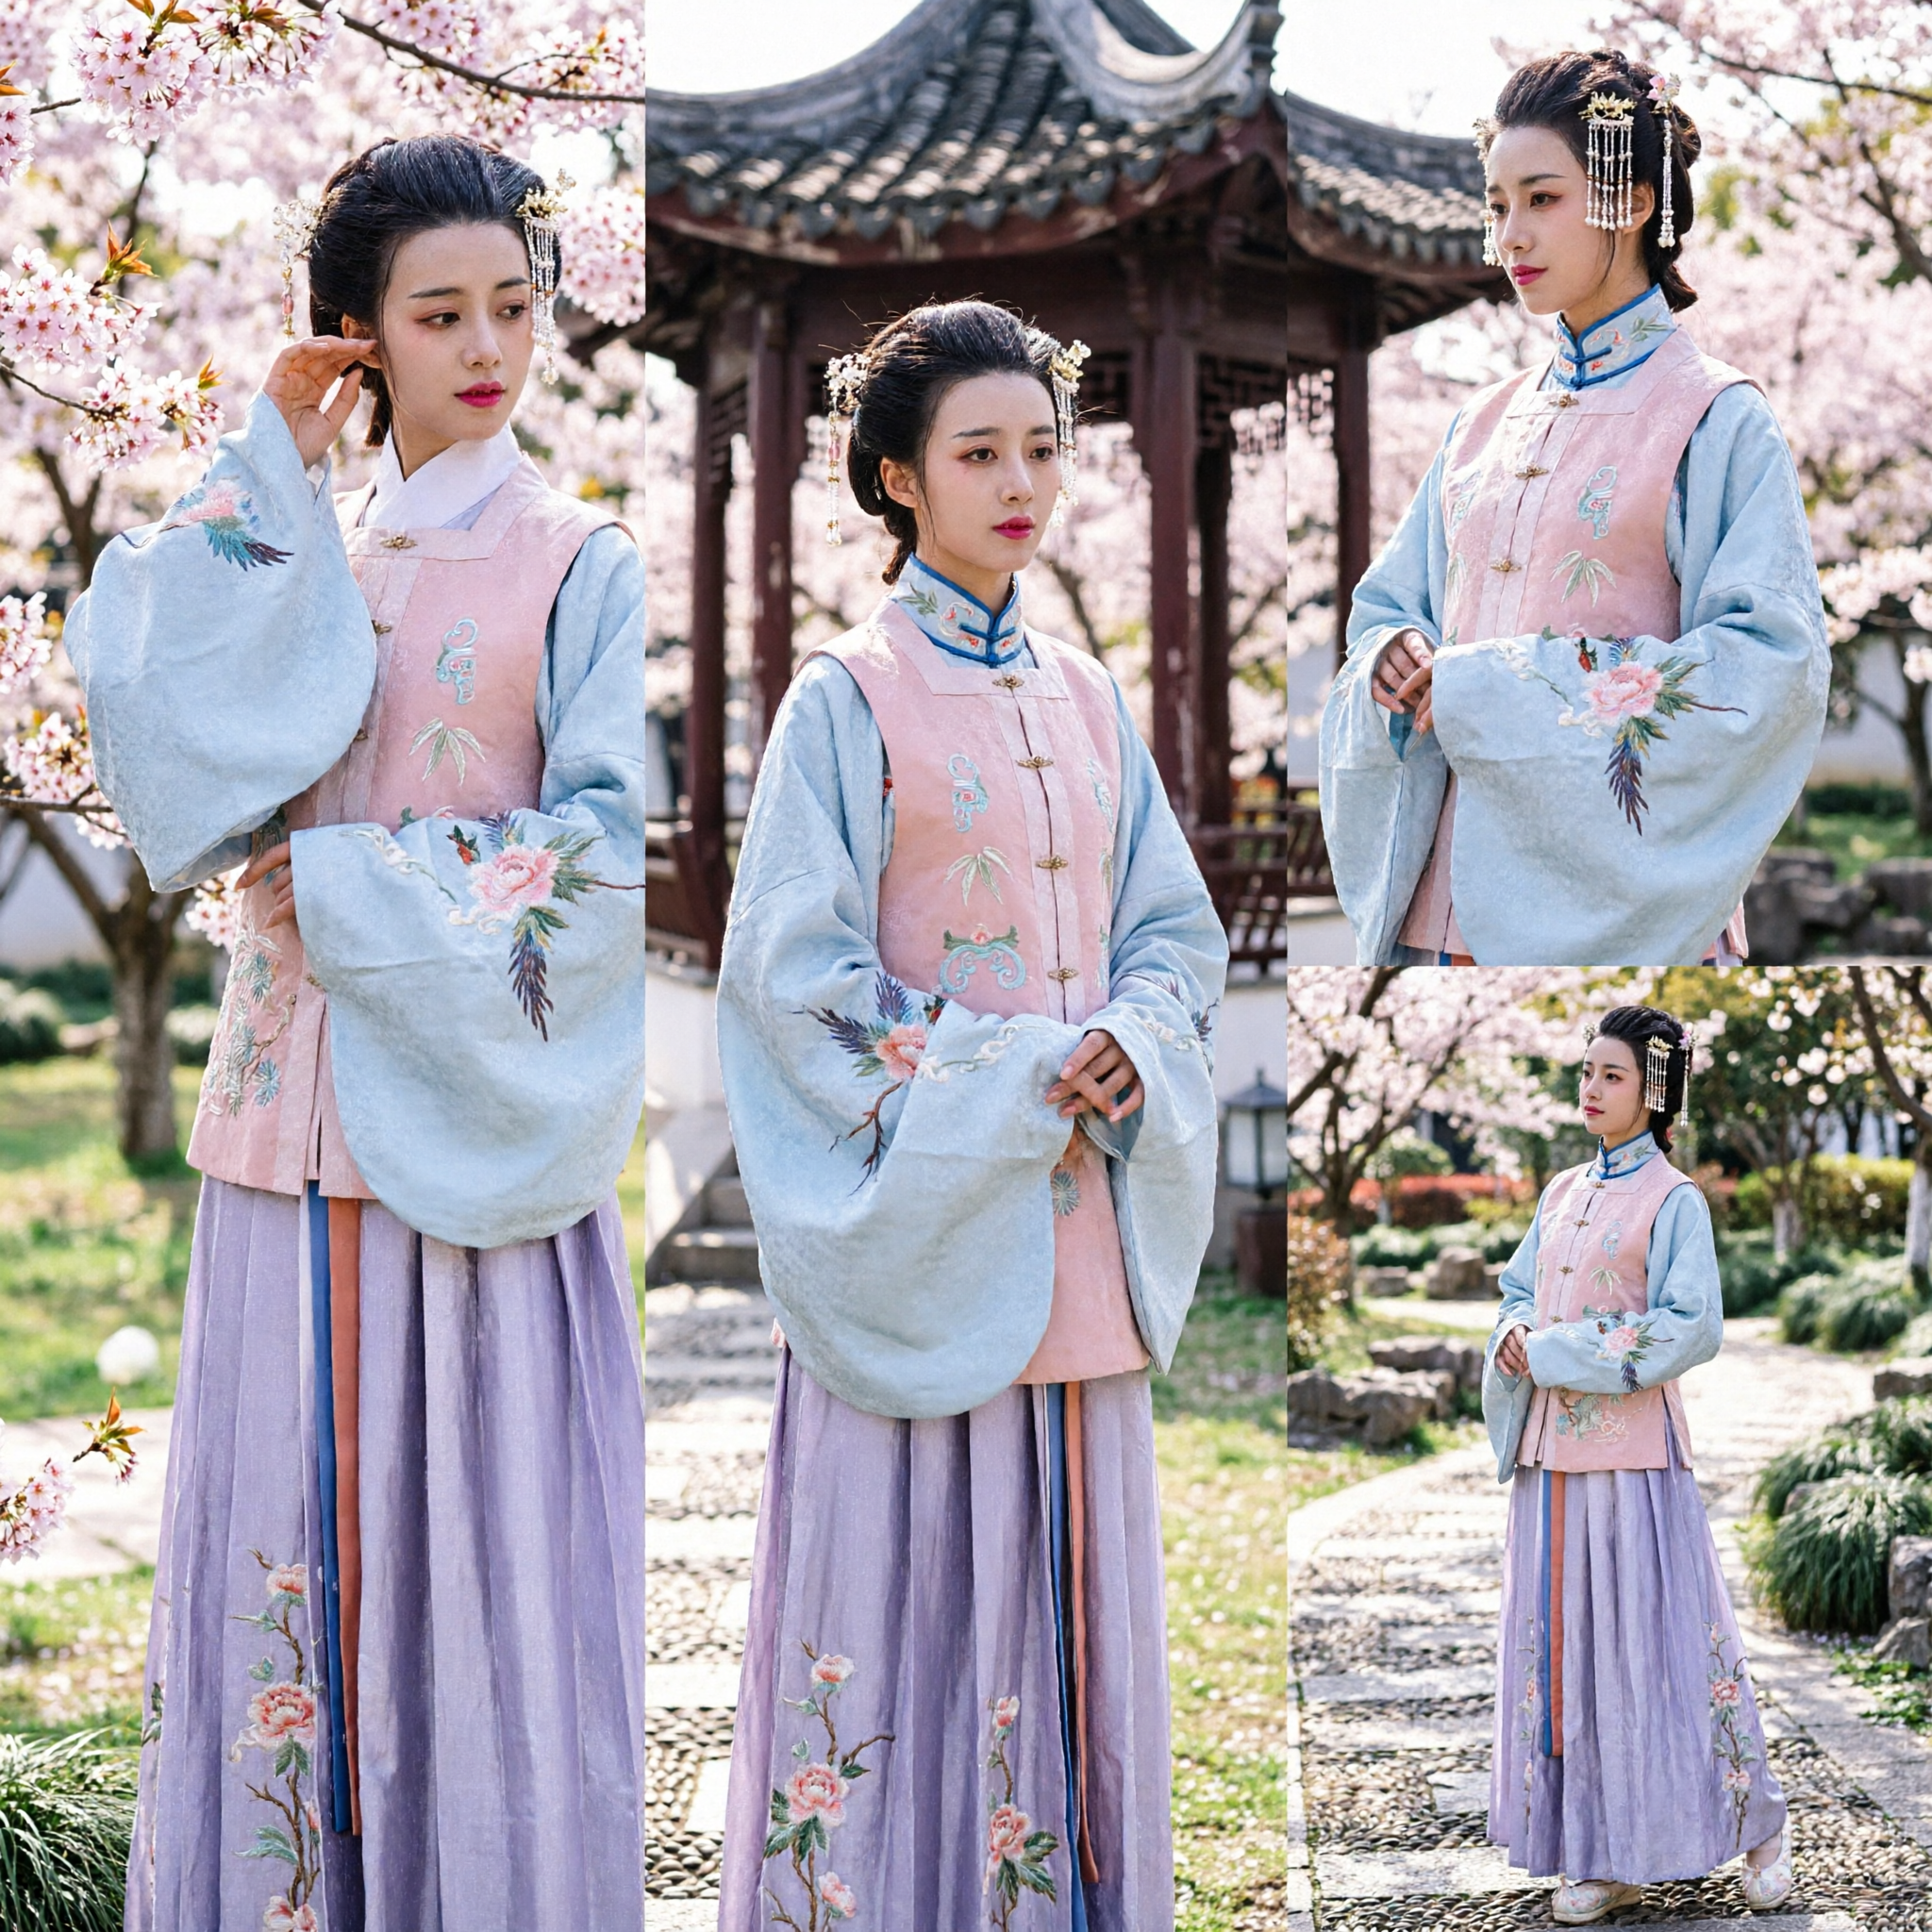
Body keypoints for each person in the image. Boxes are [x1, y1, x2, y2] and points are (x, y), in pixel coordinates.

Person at [64, 134, 646, 1930]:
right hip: (275, 1142)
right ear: (359, 335)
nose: (485, 346)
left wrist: (358, 880)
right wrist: (270, 452)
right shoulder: (296, 541)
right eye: (436, 313)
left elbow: (610, 851)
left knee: (471, 1579)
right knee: (284, 1575)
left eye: (512, 309)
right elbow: (146, 706)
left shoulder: (577, 561)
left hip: (471, 1140)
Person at [712, 300, 1226, 1930]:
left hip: (1083, 1239)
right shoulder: (844, 699)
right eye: (976, 452)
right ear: (895, 478)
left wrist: (1137, 1040)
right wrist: (1010, 1072)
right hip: (925, 1229)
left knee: (1072, 1613)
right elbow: (793, 975)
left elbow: (1169, 925)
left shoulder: (1084, 694)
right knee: (915, 1598)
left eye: (1040, 448)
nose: (1019, 480)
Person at [1319, 47, 1829, 967]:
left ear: (1630, 202)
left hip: (1620, 920)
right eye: (1496, 204)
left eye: (1540, 198)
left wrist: (1487, 690)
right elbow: (1387, 612)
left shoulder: (1714, 419)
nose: (1508, 235)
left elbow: (1768, 673)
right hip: (1437, 927)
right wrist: (1392, 658)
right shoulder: (1475, 425)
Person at [1479, 1005, 1792, 1924]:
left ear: (1654, 1091)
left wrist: (1553, 1348)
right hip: (1551, 1460)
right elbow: (1514, 1289)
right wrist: (1509, 1334)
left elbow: (1688, 1324)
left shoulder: (1673, 1200)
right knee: (1568, 1652)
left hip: (1631, 1461)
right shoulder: (1559, 1191)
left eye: (1609, 1073)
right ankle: (1598, 1848)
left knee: (1660, 1646)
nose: (1588, 1086)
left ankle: (1756, 1823)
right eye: (1584, 1069)